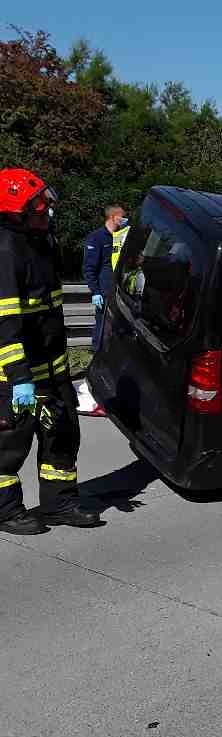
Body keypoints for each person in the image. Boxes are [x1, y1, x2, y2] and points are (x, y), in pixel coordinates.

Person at [0, 168, 100, 535]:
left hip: (52, 369)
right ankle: (5, 510)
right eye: (40, 205)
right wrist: (19, 378)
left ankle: (59, 503)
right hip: (15, 375)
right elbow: (5, 323)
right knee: (7, 447)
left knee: (62, 436)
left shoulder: (42, 240)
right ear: (16, 213)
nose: (47, 210)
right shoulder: (5, 250)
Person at [83, 203, 129, 351]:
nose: (125, 219)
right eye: (122, 217)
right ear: (113, 217)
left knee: (118, 326)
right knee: (102, 324)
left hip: (120, 289)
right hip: (104, 290)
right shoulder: (96, 238)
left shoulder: (121, 237)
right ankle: (97, 351)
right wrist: (95, 291)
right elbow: (89, 268)